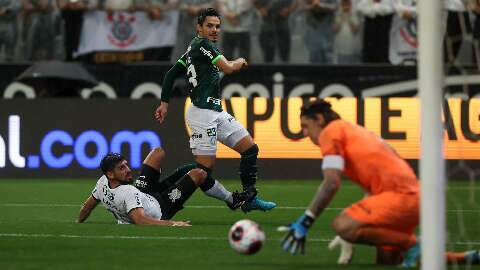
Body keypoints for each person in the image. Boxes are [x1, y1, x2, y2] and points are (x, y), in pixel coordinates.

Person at [280, 99, 480, 267]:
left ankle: (414, 243)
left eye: (306, 126)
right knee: (388, 261)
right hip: (413, 200)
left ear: (319, 119)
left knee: (342, 225)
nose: (305, 133)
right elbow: (389, 157)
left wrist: (306, 221)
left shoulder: (329, 132)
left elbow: (332, 182)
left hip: (401, 198)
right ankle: (466, 258)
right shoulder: (354, 130)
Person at [154, 8, 276, 212]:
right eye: (209, 26)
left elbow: (171, 74)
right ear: (199, 28)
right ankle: (163, 192)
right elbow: (228, 68)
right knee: (202, 170)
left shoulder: (193, 46)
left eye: (217, 26)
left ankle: (249, 197)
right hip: (201, 114)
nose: (214, 30)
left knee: (250, 149)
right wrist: (240, 61)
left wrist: (164, 102)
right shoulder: (203, 45)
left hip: (215, 111)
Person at [77, 147, 245, 225]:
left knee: (157, 152)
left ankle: (163, 184)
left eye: (126, 165)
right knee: (199, 174)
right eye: (122, 168)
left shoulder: (102, 182)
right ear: (111, 174)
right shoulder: (128, 192)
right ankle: (231, 199)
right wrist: (173, 224)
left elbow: (87, 206)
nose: (129, 170)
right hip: (162, 206)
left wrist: (78, 222)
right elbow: (141, 220)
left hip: (144, 193)